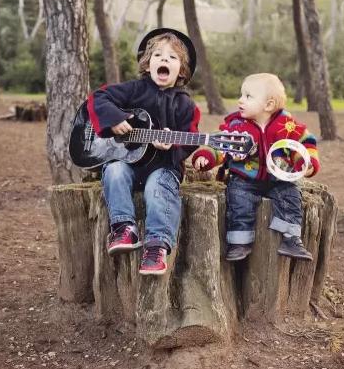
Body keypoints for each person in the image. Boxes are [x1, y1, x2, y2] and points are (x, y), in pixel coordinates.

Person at [87, 28, 200, 275]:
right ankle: (124, 229)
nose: (164, 60)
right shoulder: (134, 90)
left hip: (162, 167)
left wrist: (173, 146)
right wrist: (115, 118)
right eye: (158, 55)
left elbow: (191, 138)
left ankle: (156, 245)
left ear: (181, 70)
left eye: (172, 58)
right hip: (126, 163)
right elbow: (98, 98)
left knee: (158, 185)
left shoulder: (186, 105)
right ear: (147, 64)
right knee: (114, 169)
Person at [192, 73, 319, 261]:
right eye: (241, 95)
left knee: (291, 196)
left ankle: (291, 238)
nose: (240, 100)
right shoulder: (236, 125)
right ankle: (240, 241)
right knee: (238, 199)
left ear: (268, 105)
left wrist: (306, 163)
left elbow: (304, 143)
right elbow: (220, 144)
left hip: (279, 179)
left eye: (248, 96)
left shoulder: (288, 125)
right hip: (245, 178)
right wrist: (207, 156)